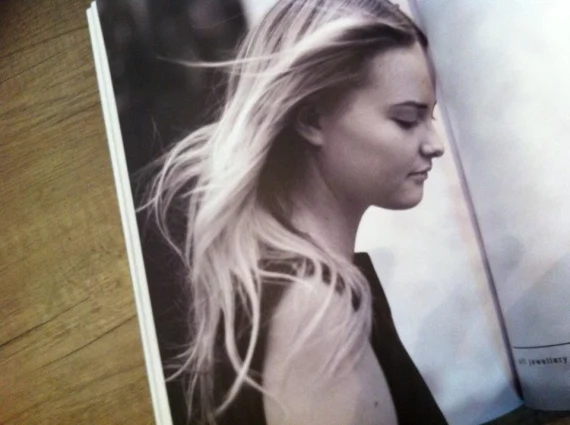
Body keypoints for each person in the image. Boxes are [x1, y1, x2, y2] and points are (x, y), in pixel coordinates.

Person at [144, 0, 447, 424]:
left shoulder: (285, 280)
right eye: (407, 119)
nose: (435, 144)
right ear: (312, 120)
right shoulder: (314, 308)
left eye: (430, 116)